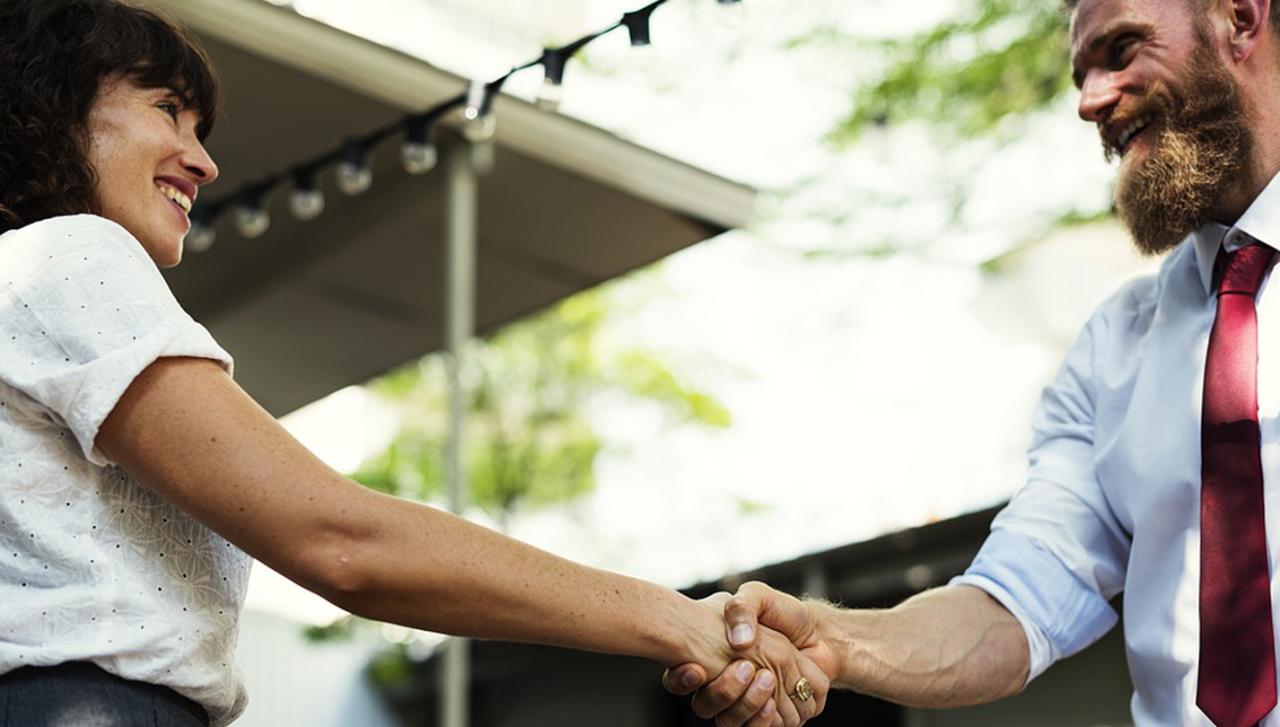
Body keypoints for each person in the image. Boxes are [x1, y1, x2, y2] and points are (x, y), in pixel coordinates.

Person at [0, 2, 833, 726]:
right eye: (168, 109)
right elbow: (339, 539)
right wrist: (679, 620)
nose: (205, 160)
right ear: (55, 106)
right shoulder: (68, 256)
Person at [665, 0, 1280, 725]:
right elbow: (1014, 605)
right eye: (1081, 74)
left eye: (1121, 51)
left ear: (1240, 17)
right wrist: (830, 639)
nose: (1089, 102)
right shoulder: (1116, 347)